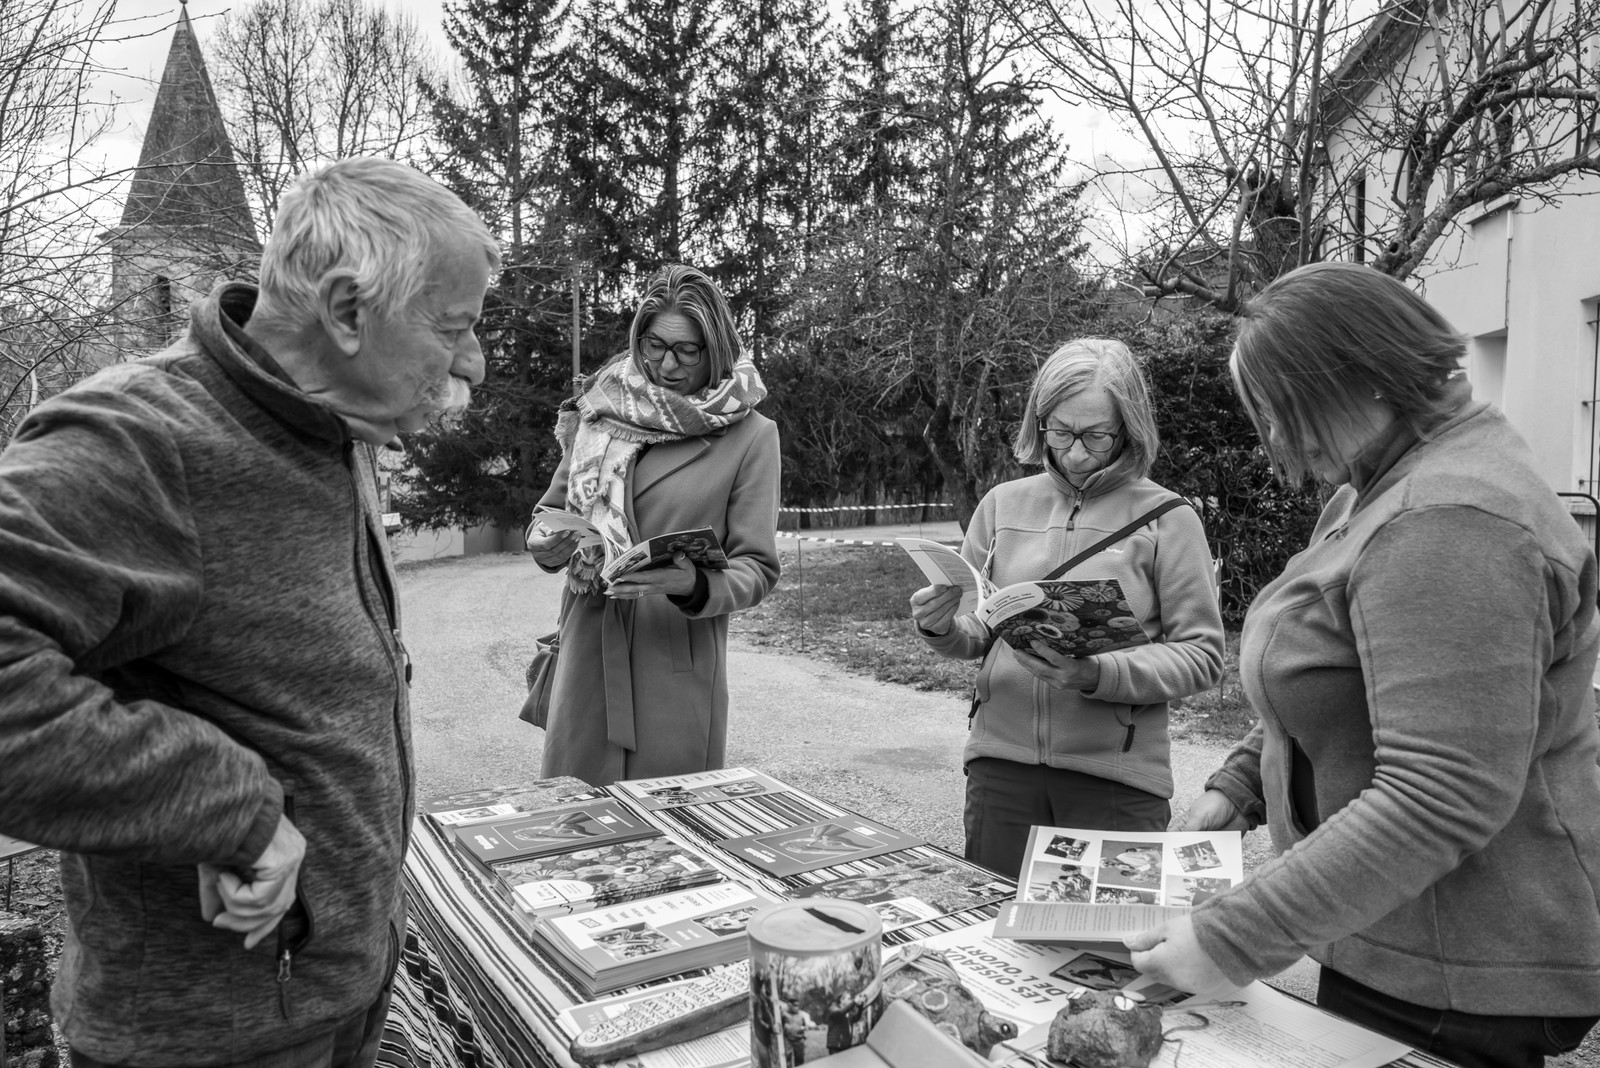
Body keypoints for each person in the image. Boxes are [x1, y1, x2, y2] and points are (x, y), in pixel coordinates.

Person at [0, 157, 497, 1068]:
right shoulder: (140, 441)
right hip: (211, 1038)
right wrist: (231, 806)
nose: (472, 362)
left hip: (329, 994)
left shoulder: (327, 424)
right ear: (348, 311)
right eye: (455, 328)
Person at [1126, 262, 1600, 1068]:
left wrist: (1231, 941)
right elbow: (1330, 674)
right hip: (1397, 926)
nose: (1275, 439)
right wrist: (1237, 786)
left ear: (1359, 378)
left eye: (1283, 411)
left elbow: (1441, 790)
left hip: (1462, 963)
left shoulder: (1450, 519)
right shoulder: (1379, 484)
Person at [910, 338, 1224, 879]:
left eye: (1095, 435)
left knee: (1108, 952)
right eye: (1060, 431)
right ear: (1040, 422)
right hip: (1000, 768)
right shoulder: (1002, 505)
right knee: (994, 938)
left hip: (1116, 780)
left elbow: (1202, 656)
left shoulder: (1168, 518)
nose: (1076, 453)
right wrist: (940, 627)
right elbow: (979, 633)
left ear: (1128, 428)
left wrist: (1095, 673)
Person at [526, 263, 780, 786]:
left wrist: (692, 583)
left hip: (675, 664)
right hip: (586, 653)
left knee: (673, 839)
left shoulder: (752, 435)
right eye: (654, 345)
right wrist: (545, 542)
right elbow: (548, 513)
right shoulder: (600, 411)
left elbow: (757, 568)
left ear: (716, 348)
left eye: (687, 350)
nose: (666, 364)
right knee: (579, 826)